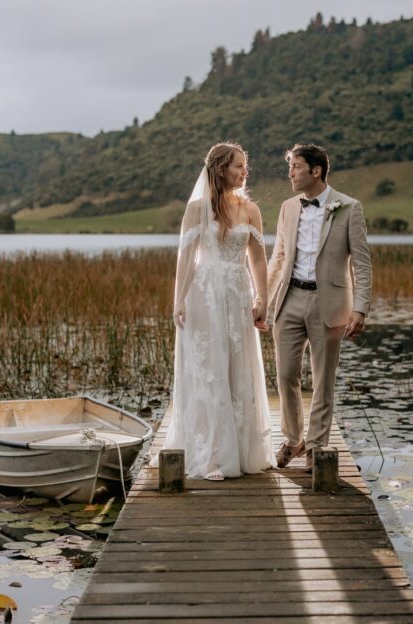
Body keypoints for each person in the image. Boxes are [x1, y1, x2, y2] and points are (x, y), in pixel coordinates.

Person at [154, 143, 276, 481]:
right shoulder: (197, 209)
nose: (244, 172)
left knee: (237, 365)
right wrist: (178, 299)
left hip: (237, 293)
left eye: (245, 166)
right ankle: (208, 455)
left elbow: (258, 257)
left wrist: (261, 297)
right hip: (204, 294)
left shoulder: (251, 210)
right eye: (239, 166)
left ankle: (240, 448)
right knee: (208, 367)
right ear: (221, 168)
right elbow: (187, 256)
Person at [267, 144, 372, 472]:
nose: (290, 173)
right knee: (286, 375)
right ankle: (293, 439)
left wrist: (361, 308)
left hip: (331, 303)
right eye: (290, 167)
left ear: (316, 171)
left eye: (296, 167)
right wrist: (264, 300)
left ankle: (316, 446)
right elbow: (279, 257)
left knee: (324, 379)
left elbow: (363, 264)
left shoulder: (349, 208)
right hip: (289, 299)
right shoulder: (287, 208)